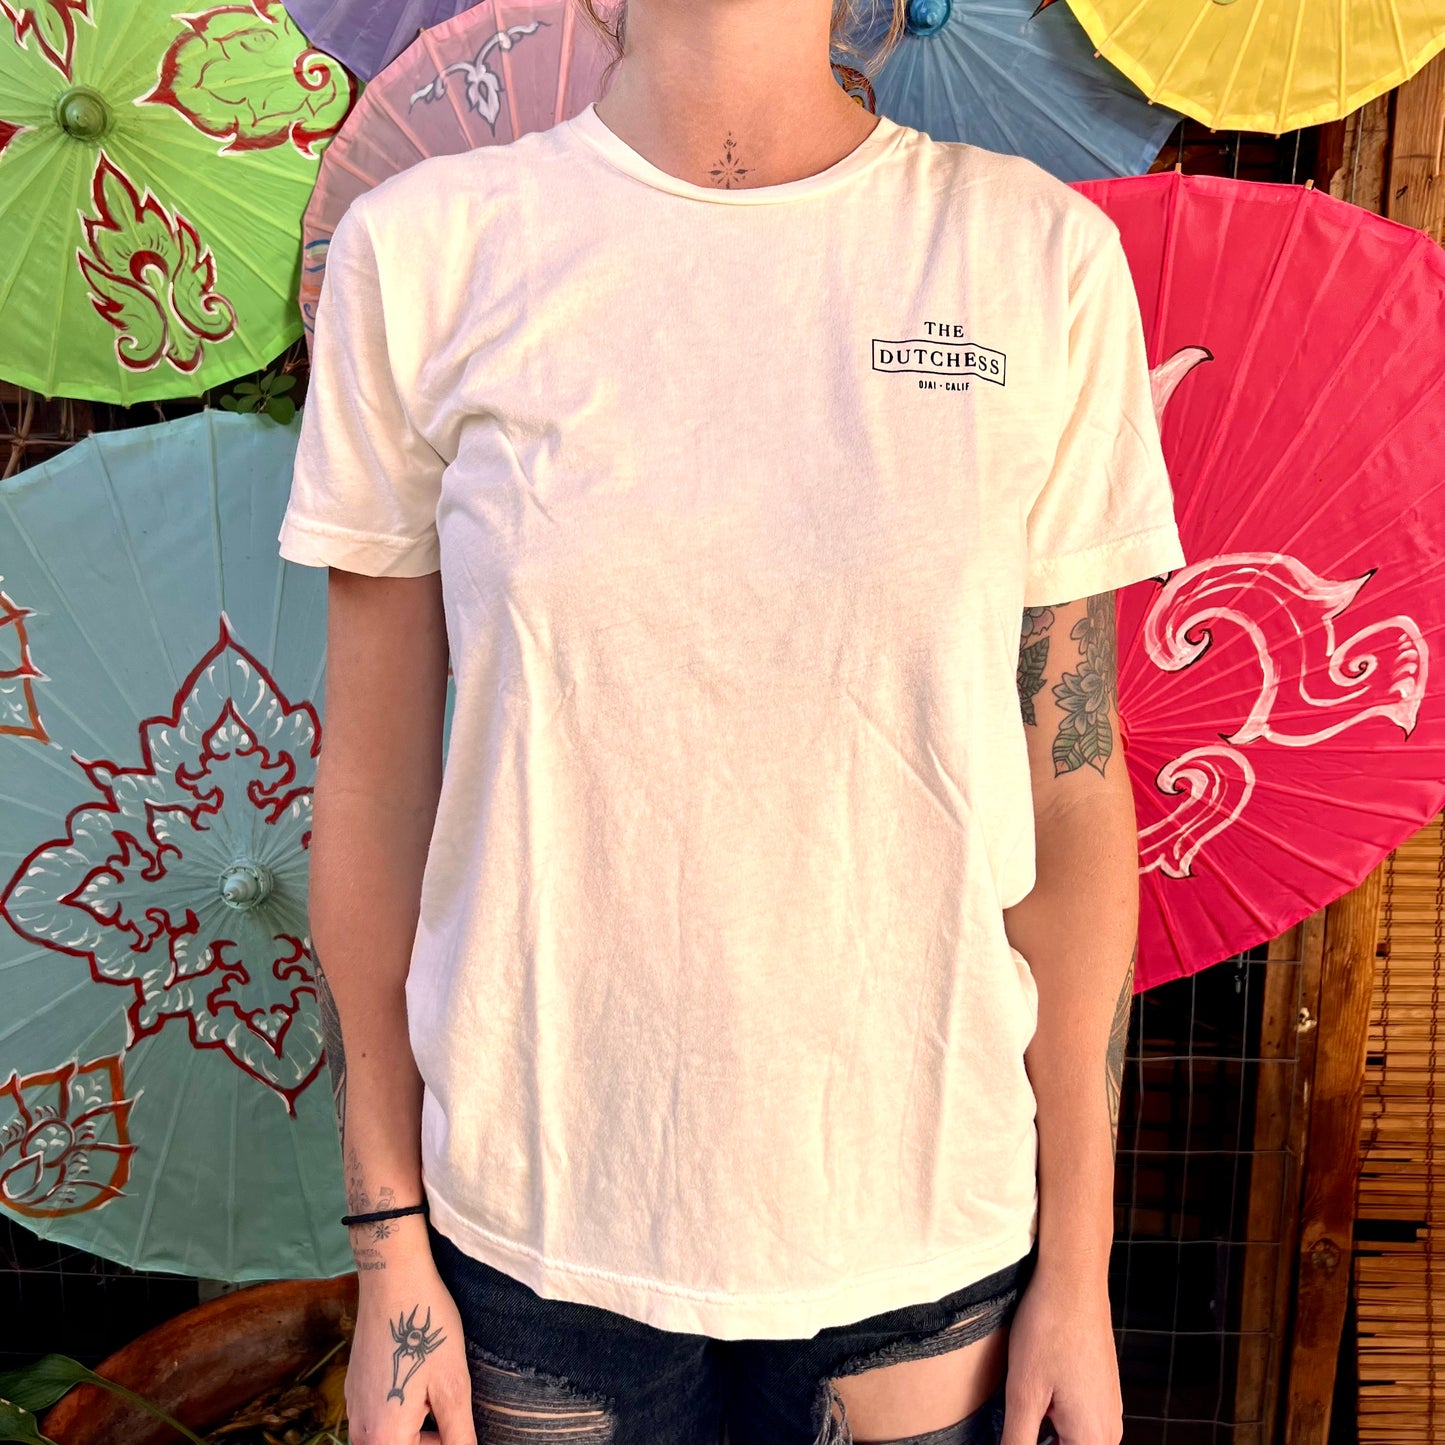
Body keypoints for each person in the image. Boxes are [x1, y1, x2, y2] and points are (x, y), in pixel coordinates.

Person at [277, 0, 1187, 1441]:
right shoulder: (426, 255)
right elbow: (375, 784)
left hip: (923, 1223)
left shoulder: (1033, 259)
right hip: (532, 1226)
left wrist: (1079, 1264)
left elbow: (1068, 785)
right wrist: (388, 1236)